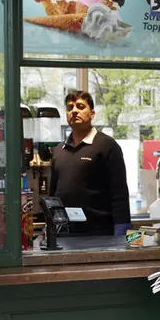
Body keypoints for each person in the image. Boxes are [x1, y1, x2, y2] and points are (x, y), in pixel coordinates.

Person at [49, 90, 131, 237]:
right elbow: (52, 196)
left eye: (80, 107)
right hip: (64, 235)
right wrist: (49, 228)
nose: (74, 111)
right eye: (70, 107)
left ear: (92, 114)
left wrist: (121, 233)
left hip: (99, 234)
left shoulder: (107, 146)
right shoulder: (59, 151)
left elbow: (119, 194)